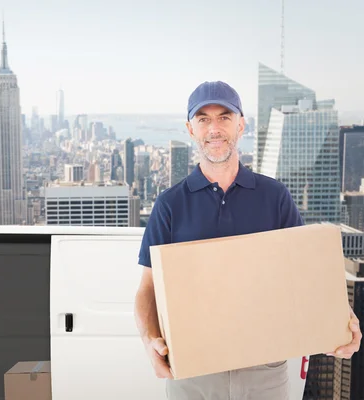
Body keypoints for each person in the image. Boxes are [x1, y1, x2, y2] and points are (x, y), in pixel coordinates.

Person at [134, 81, 362, 399]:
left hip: (264, 372)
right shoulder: (169, 204)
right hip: (194, 374)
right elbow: (147, 288)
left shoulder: (275, 197)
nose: (215, 128)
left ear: (241, 124)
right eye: (203, 119)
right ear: (190, 129)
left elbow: (308, 277)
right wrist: (149, 342)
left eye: (225, 117)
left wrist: (343, 322)